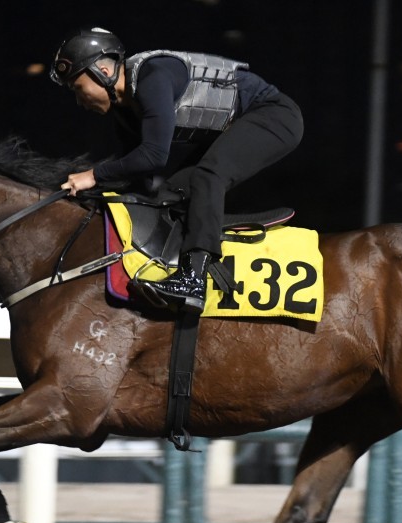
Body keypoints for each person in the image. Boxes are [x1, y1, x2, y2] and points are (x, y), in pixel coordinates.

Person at [50, 27, 304, 313]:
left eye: (77, 88)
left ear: (104, 70)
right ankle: (173, 267)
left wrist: (93, 175)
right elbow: (137, 177)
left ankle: (194, 278)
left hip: (275, 116)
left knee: (207, 176)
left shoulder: (152, 78)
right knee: (170, 193)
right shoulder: (126, 112)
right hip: (238, 126)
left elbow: (154, 157)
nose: (79, 101)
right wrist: (91, 193)